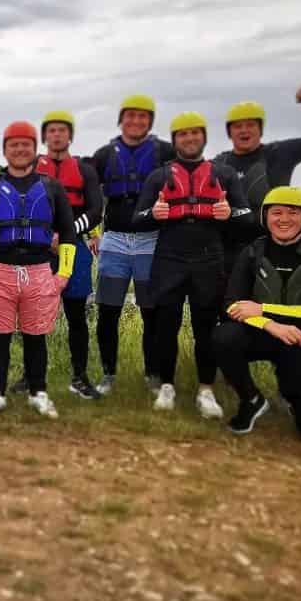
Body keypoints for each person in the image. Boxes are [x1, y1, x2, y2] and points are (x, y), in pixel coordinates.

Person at [133, 112, 252, 416]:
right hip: (169, 259)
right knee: (165, 326)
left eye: (195, 134)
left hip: (209, 259)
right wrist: (154, 215)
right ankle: (167, 386)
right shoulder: (159, 176)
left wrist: (229, 214)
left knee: (205, 328)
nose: (189, 139)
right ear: (175, 140)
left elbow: (247, 217)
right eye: (183, 135)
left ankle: (206, 390)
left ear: (203, 137)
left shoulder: (223, 174)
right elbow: (138, 220)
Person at [0, 121, 77, 418]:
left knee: (35, 336)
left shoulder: (51, 187)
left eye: (26, 144)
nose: (20, 149)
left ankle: (39, 392)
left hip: (39, 270)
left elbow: (67, 233)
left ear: (35, 148)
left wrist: (63, 274)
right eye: (14, 144)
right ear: (5, 150)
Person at [213, 187, 301, 442]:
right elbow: (231, 303)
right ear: (266, 216)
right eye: (276, 212)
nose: (284, 219)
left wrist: (265, 309)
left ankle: (294, 395)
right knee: (223, 337)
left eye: (292, 213)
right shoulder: (253, 252)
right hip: (263, 333)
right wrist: (270, 324)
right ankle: (251, 400)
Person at [89, 94, 175, 396]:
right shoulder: (104, 154)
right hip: (114, 240)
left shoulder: (166, 151)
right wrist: (91, 232)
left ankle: (153, 374)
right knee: (108, 310)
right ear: (121, 119)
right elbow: (88, 194)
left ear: (150, 121)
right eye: (130, 116)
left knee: (151, 311)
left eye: (143, 117)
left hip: (151, 241)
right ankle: (109, 374)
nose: (136, 122)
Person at [213, 89, 301, 274]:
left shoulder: (279, 153)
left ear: (260, 128)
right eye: (237, 126)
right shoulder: (218, 163)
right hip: (228, 255)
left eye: (250, 124)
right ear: (229, 132)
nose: (244, 130)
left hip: (273, 250)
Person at [33, 111, 104, 399]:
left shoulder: (85, 170)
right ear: (44, 136)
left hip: (72, 249)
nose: (57, 135)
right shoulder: (32, 168)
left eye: (62, 130)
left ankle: (79, 376)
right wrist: (42, 237)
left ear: (70, 135)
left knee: (76, 315)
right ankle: (31, 375)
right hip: (38, 250)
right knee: (34, 315)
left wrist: (66, 234)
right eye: (51, 131)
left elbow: (95, 210)